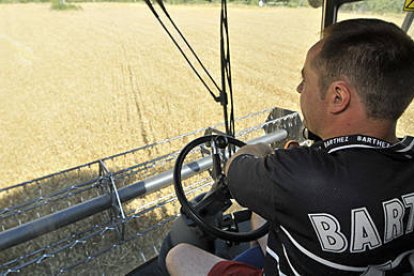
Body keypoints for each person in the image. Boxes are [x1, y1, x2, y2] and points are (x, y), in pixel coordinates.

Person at [165, 18, 414, 275]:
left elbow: (235, 167)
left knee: (179, 256)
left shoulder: (300, 174)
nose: (299, 88)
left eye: (305, 80)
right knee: (259, 216)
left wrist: (263, 153)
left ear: (337, 97)